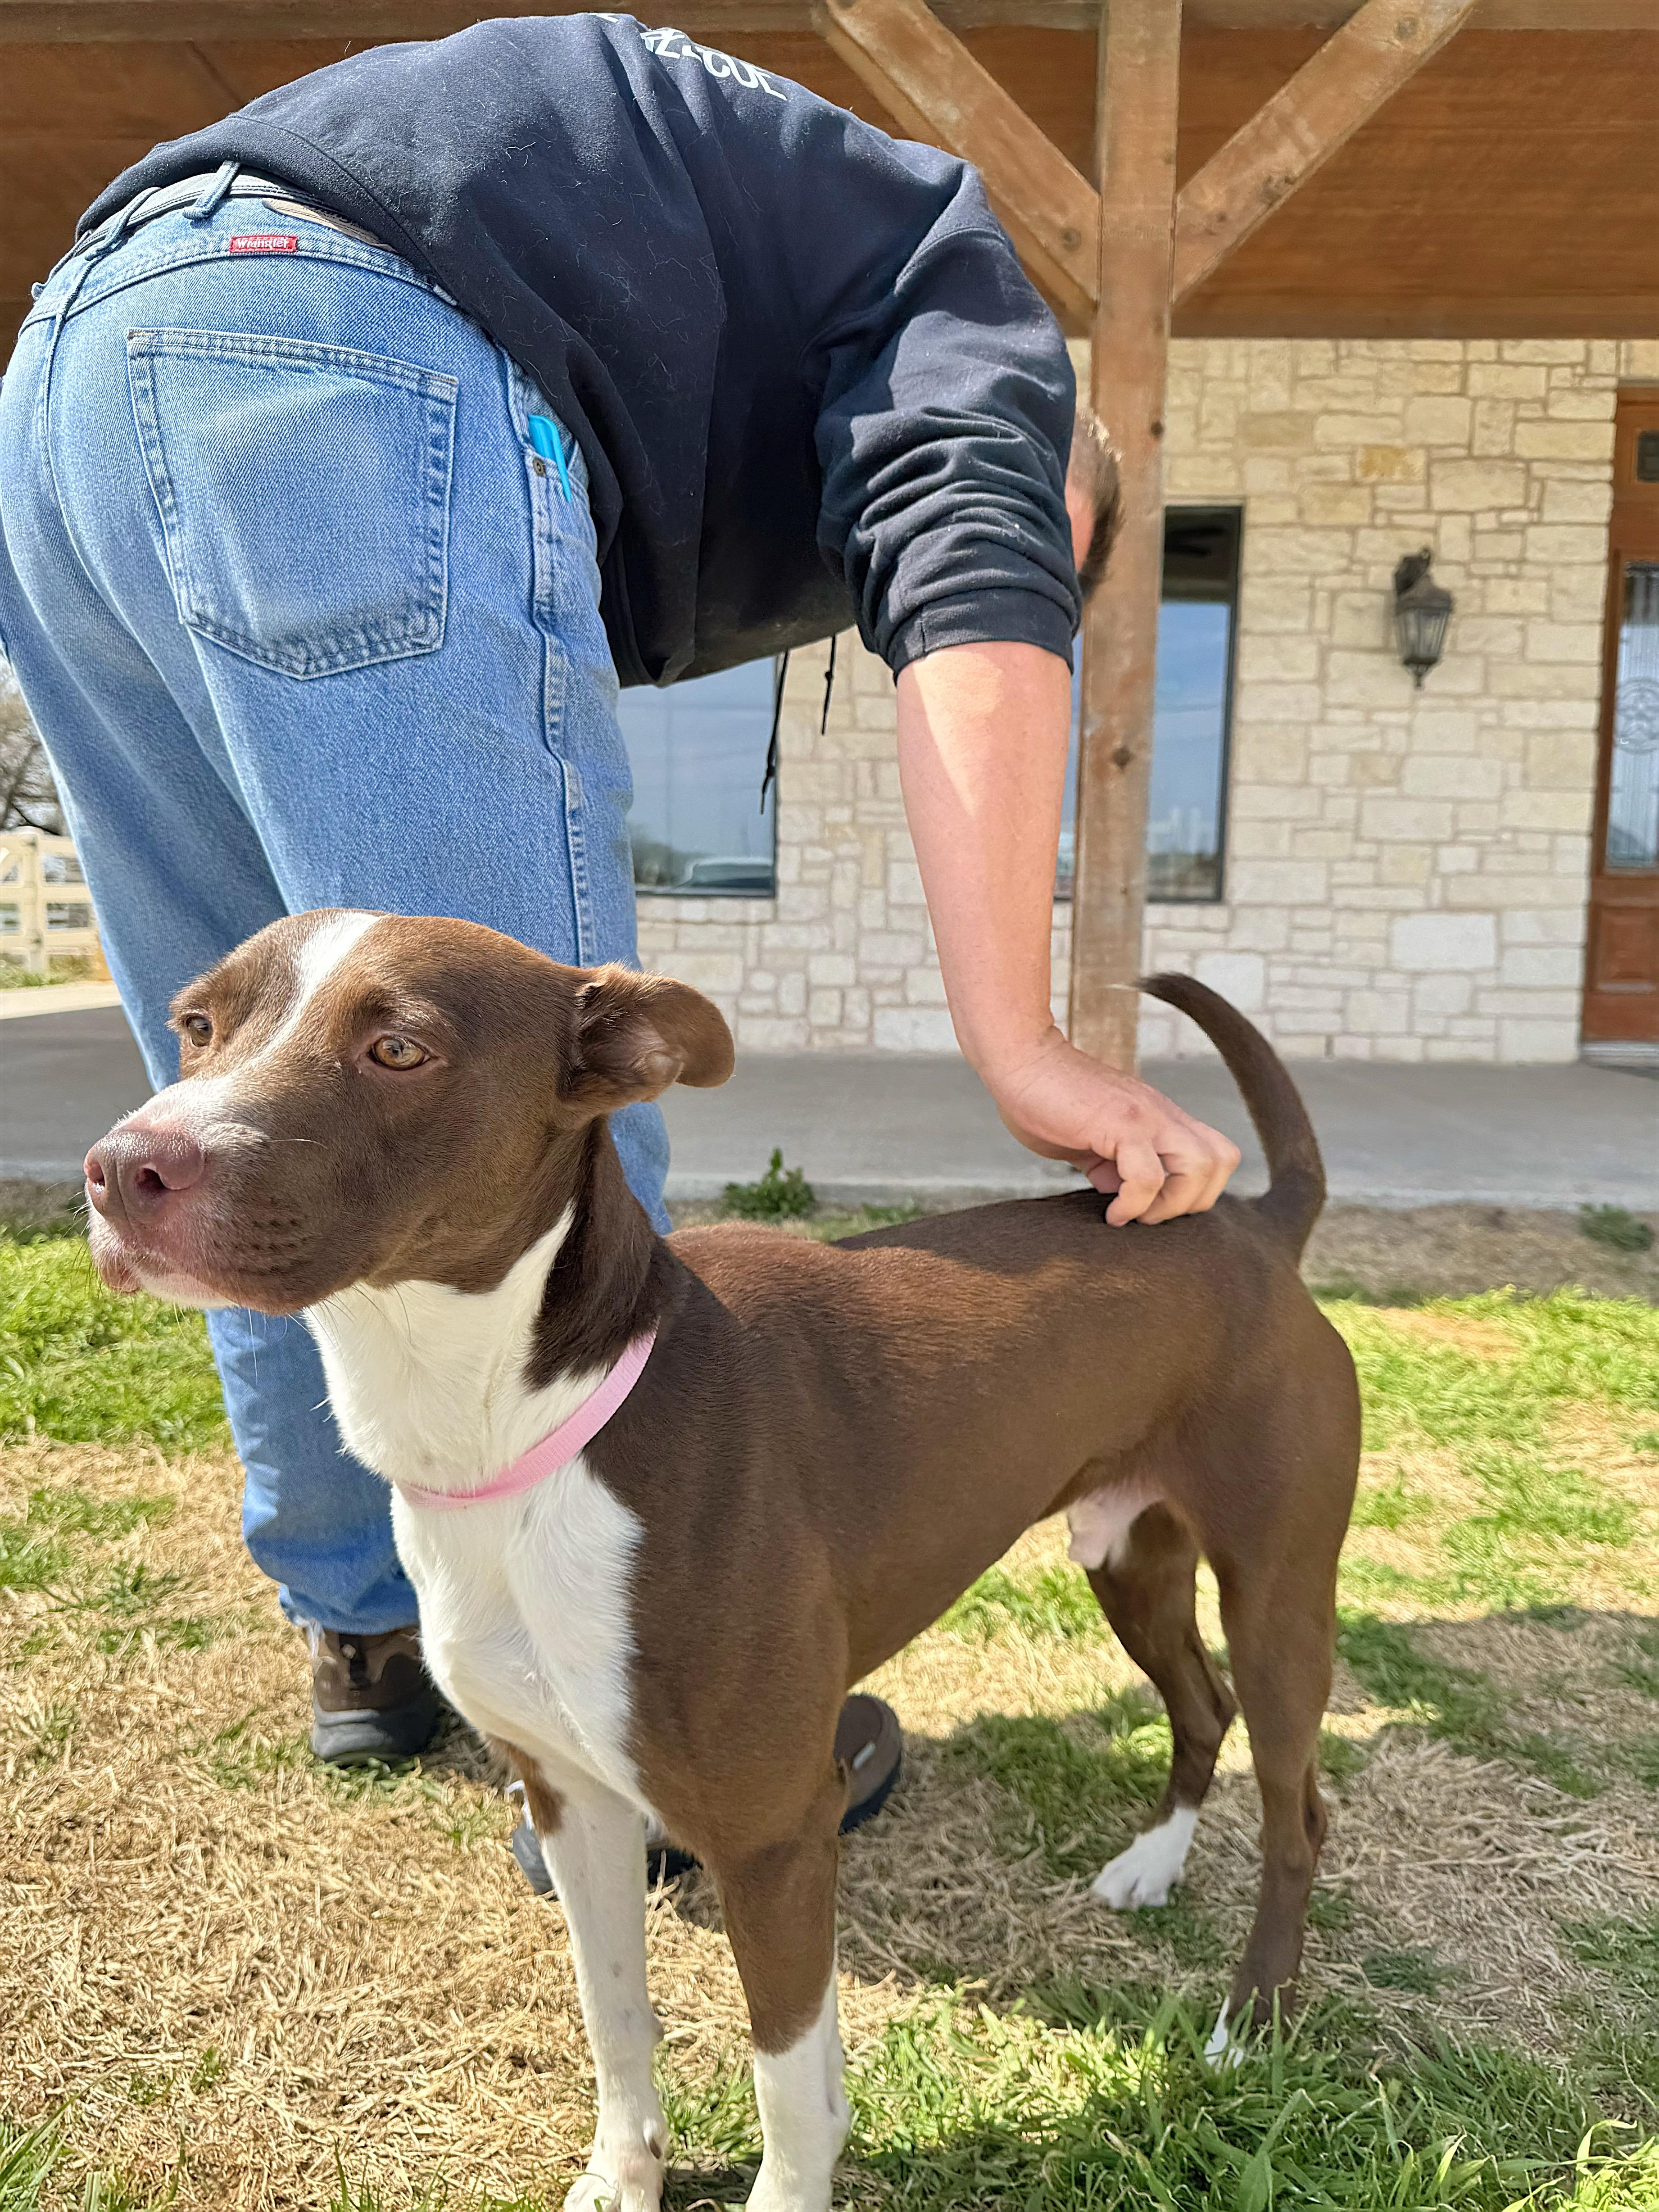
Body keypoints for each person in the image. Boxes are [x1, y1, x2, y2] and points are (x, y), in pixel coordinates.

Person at [0, 15, 1238, 1780]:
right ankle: (654, 1728)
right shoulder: (977, 332)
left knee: (260, 1095)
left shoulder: (747, 310)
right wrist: (1024, 1045)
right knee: (500, 1079)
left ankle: (372, 1631)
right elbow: (977, 574)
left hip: (70, 373)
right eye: (1064, 561)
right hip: (342, 345)